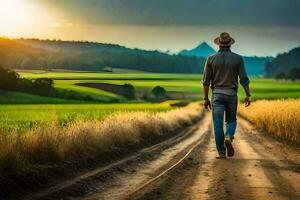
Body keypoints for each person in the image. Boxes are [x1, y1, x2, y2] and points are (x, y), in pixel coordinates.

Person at [203, 32, 251, 159]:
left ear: (218, 44)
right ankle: (229, 136)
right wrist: (248, 95)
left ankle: (221, 152)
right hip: (231, 94)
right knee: (231, 120)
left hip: (217, 95)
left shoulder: (210, 59)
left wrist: (206, 99)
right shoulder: (238, 59)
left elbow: (206, 81)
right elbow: (244, 79)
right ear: (230, 44)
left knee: (217, 123)